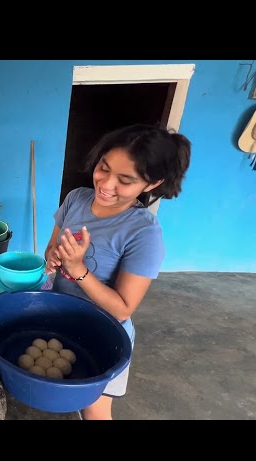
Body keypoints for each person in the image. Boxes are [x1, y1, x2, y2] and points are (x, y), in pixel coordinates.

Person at [44, 124, 191, 420]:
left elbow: (123, 309)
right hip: (60, 317)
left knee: (94, 409)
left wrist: (78, 269)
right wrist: (54, 259)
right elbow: (51, 247)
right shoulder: (76, 199)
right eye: (103, 167)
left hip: (102, 332)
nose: (106, 184)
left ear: (151, 184)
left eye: (125, 180)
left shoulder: (143, 233)